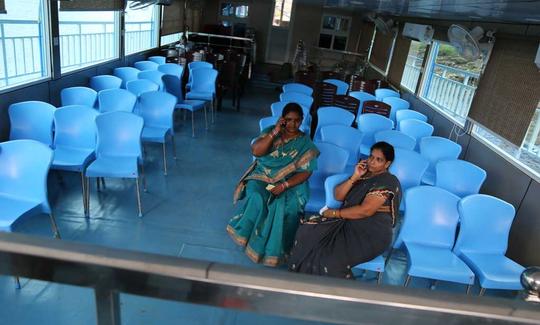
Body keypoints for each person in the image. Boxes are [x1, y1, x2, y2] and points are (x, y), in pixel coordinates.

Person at [287, 142, 401, 278]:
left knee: (329, 259)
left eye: (379, 160)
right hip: (349, 224)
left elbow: (366, 211)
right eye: (371, 157)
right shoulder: (364, 175)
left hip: (371, 234)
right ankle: (304, 278)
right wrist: (355, 176)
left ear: (387, 164)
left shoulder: (388, 181)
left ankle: (337, 291)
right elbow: (338, 195)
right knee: (307, 232)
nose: (372, 162)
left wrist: (335, 213)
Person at [227, 103, 319, 266]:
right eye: (288, 120)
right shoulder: (271, 131)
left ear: (302, 120)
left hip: (291, 182)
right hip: (263, 175)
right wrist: (275, 132)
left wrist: (284, 185)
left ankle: (275, 250)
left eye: (296, 121)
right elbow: (256, 152)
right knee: (256, 196)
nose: (292, 124)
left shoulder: (306, 144)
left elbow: (306, 172)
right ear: (282, 119)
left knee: (283, 205)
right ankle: (249, 238)